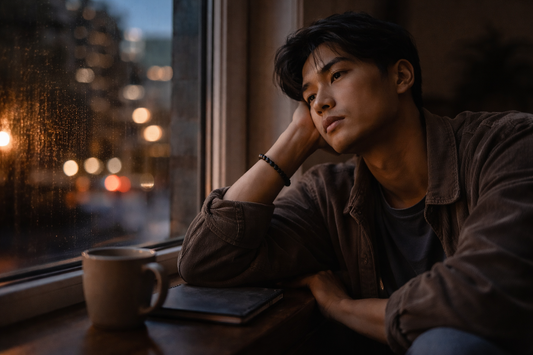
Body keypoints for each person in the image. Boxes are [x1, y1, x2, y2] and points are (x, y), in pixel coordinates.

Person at [178, 12, 533, 355]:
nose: (321, 104)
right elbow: (206, 261)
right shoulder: (329, 195)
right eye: (309, 97)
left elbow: (482, 295)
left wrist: (340, 307)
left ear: (401, 77)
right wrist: (293, 140)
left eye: (337, 75)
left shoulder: (507, 144)